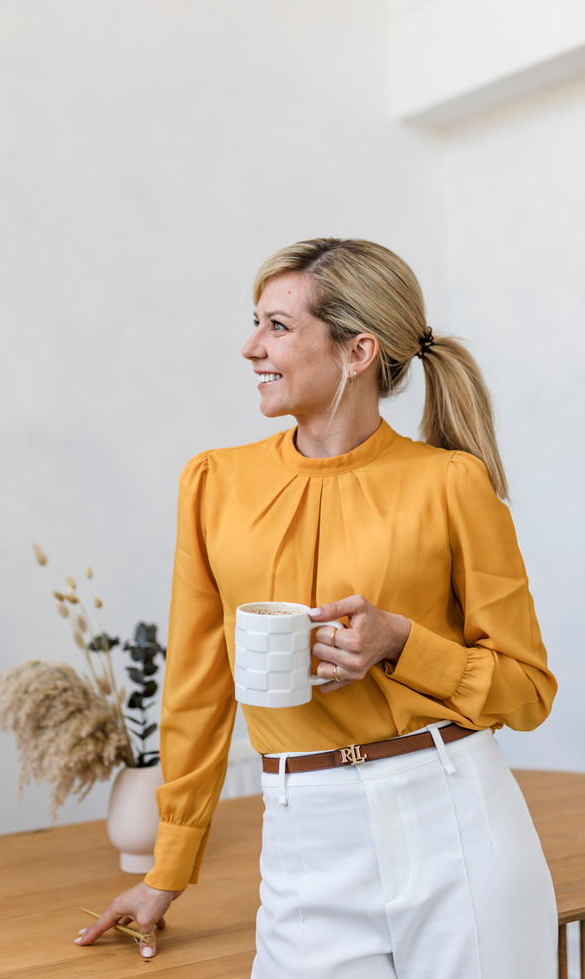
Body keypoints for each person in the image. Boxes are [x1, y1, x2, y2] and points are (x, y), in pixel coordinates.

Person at [76, 238, 558, 977]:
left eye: (276, 325)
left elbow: (528, 693)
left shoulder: (452, 483)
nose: (250, 346)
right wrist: (165, 871)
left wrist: (401, 641)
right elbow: (198, 691)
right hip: (306, 832)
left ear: (357, 350)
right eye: (256, 322)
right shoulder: (213, 484)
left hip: (458, 818)